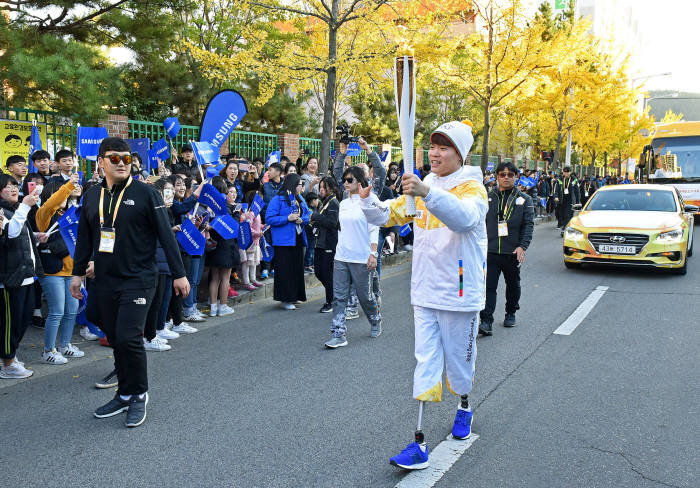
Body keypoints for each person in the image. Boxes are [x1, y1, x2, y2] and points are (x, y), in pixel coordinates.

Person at [359, 121, 487, 470]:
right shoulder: (425, 184)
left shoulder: (473, 188)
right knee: (426, 362)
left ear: (460, 154)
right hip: (426, 292)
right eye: (432, 146)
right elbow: (391, 213)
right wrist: (367, 197)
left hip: (460, 294)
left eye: (444, 147)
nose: (435, 152)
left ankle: (464, 404)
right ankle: (419, 441)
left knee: (460, 364)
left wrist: (427, 194)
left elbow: (464, 219)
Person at [71, 137, 189, 428]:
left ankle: (138, 394)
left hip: (140, 278)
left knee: (128, 337)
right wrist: (76, 273)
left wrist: (179, 273)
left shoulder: (146, 193)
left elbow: (166, 235)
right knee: (115, 337)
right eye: (115, 158)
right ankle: (124, 393)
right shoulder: (91, 196)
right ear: (100, 162)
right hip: (105, 278)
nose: (122, 164)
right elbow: (85, 238)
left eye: (126, 158)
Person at [323, 166, 382, 348]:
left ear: (359, 181)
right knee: (339, 297)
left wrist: (373, 253)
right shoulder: (343, 203)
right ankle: (338, 333)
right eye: (344, 180)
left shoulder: (369, 199)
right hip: (342, 256)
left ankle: (375, 318)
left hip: (361, 257)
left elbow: (374, 228)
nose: (345, 183)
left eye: (350, 180)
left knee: (365, 297)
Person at [35, 173, 86, 363]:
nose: (65, 197)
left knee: (71, 309)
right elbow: (50, 204)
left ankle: (65, 345)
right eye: (61, 195)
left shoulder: (71, 215)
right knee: (56, 311)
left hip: (72, 273)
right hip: (52, 272)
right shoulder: (44, 214)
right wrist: (67, 186)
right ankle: (49, 350)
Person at [478, 162, 534, 336]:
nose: (506, 177)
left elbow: (528, 225)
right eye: (502, 174)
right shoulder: (487, 197)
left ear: (516, 177)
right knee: (488, 287)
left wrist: (522, 246)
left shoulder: (524, 199)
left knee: (513, 285)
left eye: (510, 174)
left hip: (512, 252)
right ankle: (486, 321)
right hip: (490, 251)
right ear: (497, 176)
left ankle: (511, 313)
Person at [0, 174, 42, 379]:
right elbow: (9, 234)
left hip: (25, 275)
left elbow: (21, 236)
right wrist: (25, 206)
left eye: (15, 185)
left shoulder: (15, 210)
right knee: (10, 323)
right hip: (9, 278)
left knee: (23, 319)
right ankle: (7, 364)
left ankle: (11, 355)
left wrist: (36, 237)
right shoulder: (2, 211)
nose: (13, 189)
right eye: (7, 186)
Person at [264, 173, 310, 310]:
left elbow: (307, 213)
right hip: (283, 241)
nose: (301, 187)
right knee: (285, 270)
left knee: (296, 269)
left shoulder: (299, 198)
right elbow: (269, 218)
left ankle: (295, 296)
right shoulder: (278, 199)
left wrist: (303, 219)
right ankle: (285, 299)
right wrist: (286, 218)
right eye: (300, 185)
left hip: (298, 238)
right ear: (293, 185)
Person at [205, 177, 237, 317]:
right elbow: (232, 225)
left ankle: (212, 307)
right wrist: (236, 212)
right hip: (225, 244)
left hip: (213, 244)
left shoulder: (208, 204)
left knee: (215, 277)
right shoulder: (225, 205)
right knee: (225, 278)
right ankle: (222, 306)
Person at [311, 177, 340, 314]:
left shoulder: (333, 203)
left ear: (332, 188)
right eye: (320, 187)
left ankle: (331, 301)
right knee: (318, 272)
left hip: (329, 243)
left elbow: (332, 223)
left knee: (327, 273)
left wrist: (316, 217)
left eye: (324, 187)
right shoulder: (324, 202)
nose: (321, 190)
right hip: (319, 243)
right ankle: (334, 293)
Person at [239, 191, 264, 291]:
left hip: (256, 242)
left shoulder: (257, 213)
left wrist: (262, 227)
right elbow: (248, 228)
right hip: (250, 242)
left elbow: (256, 225)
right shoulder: (250, 213)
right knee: (247, 263)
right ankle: (246, 282)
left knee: (253, 262)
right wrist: (257, 233)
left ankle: (253, 279)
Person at [555, 166, 580, 236]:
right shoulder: (560, 179)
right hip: (562, 200)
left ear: (570, 172)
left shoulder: (574, 180)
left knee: (567, 215)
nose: (566, 173)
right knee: (562, 215)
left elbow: (577, 191)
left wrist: (578, 202)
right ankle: (567, 227)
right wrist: (556, 196)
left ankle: (564, 230)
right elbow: (556, 189)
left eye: (567, 172)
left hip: (570, 200)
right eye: (565, 172)